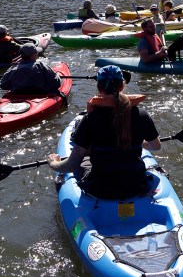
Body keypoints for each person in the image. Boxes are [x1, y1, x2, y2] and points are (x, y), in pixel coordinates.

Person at [48, 65, 160, 199]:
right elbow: (156, 146)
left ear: (99, 87)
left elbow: (71, 166)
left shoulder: (90, 119)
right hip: (136, 186)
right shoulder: (141, 115)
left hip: (99, 189)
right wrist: (138, 142)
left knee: (85, 158)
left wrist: (53, 163)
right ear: (122, 85)